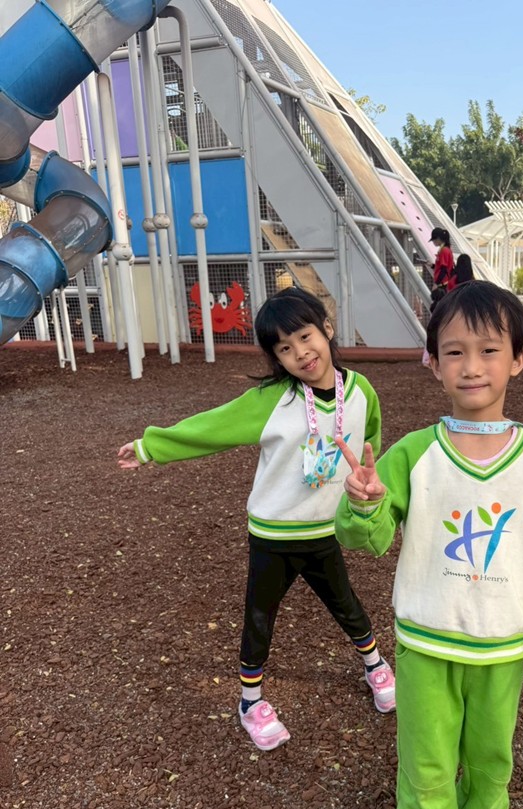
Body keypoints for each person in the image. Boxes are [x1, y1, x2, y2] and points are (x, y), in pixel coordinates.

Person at [334, 281, 523, 809]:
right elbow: (368, 538)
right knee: (427, 752)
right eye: (453, 351)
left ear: (518, 358)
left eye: (489, 350)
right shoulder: (415, 453)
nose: (472, 366)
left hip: (501, 644)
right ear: (433, 362)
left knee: (492, 750)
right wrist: (363, 502)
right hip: (426, 638)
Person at [117, 287, 395, 752]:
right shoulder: (272, 400)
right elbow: (214, 426)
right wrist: (151, 447)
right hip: (273, 534)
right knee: (260, 617)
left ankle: (375, 666)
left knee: (345, 602)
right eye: (284, 348)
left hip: (324, 528)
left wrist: (366, 485)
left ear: (327, 329)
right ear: (276, 358)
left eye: (305, 337)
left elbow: (369, 443)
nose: (300, 353)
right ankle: (250, 702)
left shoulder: (361, 390)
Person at [428, 227, 455, 296]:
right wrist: (432, 265)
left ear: (438, 238)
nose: (433, 242)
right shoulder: (446, 249)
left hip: (443, 284)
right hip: (444, 283)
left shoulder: (444, 250)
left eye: (434, 240)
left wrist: (436, 283)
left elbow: (444, 269)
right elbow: (442, 267)